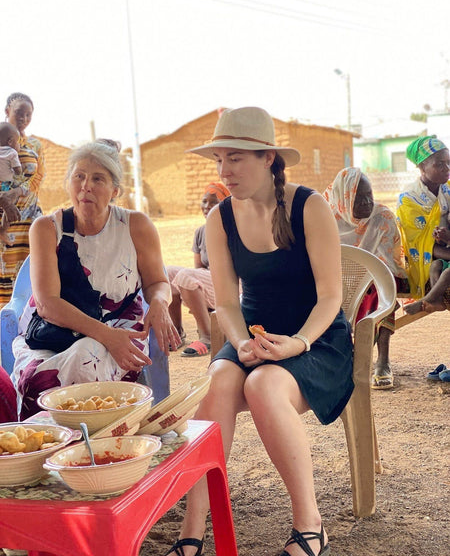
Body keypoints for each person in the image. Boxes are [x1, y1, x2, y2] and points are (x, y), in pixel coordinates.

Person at [165, 107, 354, 556]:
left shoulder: (310, 206)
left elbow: (331, 297)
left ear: (268, 158)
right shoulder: (220, 219)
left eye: (235, 158)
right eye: (219, 160)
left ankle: (310, 525)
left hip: (316, 338)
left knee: (266, 384)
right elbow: (227, 302)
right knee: (218, 380)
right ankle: (192, 530)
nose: (224, 171)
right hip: (251, 335)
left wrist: (298, 342)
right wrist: (239, 341)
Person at [12, 141, 179, 420]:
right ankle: (55, 443)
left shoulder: (135, 226)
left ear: (115, 190)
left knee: (88, 355)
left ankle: (92, 444)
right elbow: (47, 304)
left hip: (121, 330)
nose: (85, 186)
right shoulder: (46, 229)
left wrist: (160, 302)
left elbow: (157, 282)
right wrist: (103, 335)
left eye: (97, 178)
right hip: (54, 335)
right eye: (79, 176)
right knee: (45, 373)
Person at [323, 167, 408, 390]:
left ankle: (382, 361)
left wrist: (364, 274)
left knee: (379, 289)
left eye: (369, 196)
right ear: (344, 197)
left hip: (377, 275)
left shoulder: (382, 217)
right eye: (358, 198)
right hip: (335, 276)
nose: (367, 203)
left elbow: (389, 262)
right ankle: (336, 357)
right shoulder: (325, 218)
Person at [167, 181, 230, 356]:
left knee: (185, 276)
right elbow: (199, 268)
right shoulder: (200, 232)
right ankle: (176, 333)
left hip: (232, 284)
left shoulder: (233, 229)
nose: (206, 206)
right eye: (204, 201)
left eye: (213, 203)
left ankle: (208, 336)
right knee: (168, 273)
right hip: (209, 281)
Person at [1, 93, 45, 306]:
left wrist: (18, 192)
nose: (24, 118)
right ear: (7, 111)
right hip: (3, 215)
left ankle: (24, 323)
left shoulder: (35, 145)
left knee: (30, 268)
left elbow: (38, 177)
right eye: (19, 112)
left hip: (28, 218)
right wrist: (5, 199)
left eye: (29, 114)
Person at [397, 135, 450, 313]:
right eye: (439, 164)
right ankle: (435, 299)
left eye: (448, 162)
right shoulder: (409, 200)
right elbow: (419, 246)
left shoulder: (448, 189)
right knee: (438, 268)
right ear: (422, 167)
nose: (447, 168)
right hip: (426, 259)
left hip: (446, 250)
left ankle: (435, 300)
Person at [0, 122, 24, 244]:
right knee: (8, 203)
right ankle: (3, 229)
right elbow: (18, 170)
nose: (18, 145)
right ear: (10, 142)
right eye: (17, 142)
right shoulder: (12, 152)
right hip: (7, 184)